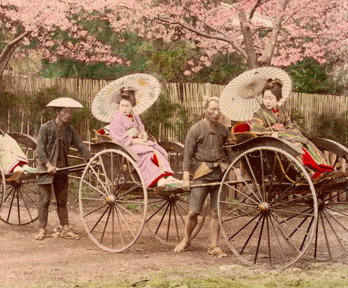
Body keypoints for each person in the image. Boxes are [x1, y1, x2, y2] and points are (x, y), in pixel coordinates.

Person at [174, 96, 233, 257]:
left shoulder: (224, 129)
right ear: (204, 110)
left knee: (216, 212)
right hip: (202, 174)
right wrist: (186, 177)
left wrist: (236, 169)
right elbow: (187, 156)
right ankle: (186, 240)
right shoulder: (196, 129)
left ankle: (214, 245)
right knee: (194, 212)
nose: (216, 112)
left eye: (218, 109)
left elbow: (230, 152)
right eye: (212, 109)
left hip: (220, 174)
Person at [250, 78, 333, 178]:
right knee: (295, 145)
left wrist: (283, 129)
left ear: (277, 98)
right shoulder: (259, 114)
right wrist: (269, 132)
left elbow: (290, 125)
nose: (267, 101)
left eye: (270, 98)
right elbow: (255, 130)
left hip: (286, 137)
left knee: (306, 143)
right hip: (272, 141)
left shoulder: (283, 112)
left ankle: (321, 167)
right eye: (265, 98)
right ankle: (306, 173)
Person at [34, 98, 91, 241]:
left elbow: (81, 145)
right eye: (65, 112)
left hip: (62, 169)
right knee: (45, 200)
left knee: (62, 200)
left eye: (70, 113)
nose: (68, 115)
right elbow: (40, 149)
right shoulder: (45, 127)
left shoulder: (70, 130)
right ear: (57, 112)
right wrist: (48, 165)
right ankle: (42, 229)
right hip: (45, 170)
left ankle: (65, 228)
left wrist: (90, 158)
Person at [109, 87, 181, 187]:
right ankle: (157, 179)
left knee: (156, 150)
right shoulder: (117, 119)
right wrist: (135, 141)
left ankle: (167, 176)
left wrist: (142, 134)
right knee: (148, 153)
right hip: (126, 146)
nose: (124, 108)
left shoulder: (134, 116)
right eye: (122, 106)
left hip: (138, 142)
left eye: (127, 106)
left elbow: (141, 129)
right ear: (119, 105)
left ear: (131, 106)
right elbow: (119, 137)